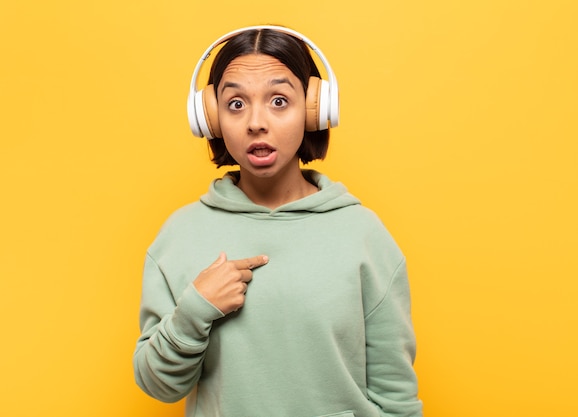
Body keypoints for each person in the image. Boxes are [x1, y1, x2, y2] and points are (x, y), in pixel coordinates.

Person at [133, 25, 423, 417]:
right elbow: (158, 386)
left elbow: (395, 394)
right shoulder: (179, 235)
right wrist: (194, 310)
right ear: (211, 118)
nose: (256, 122)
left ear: (314, 108)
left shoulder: (363, 235)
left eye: (279, 101)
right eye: (236, 104)